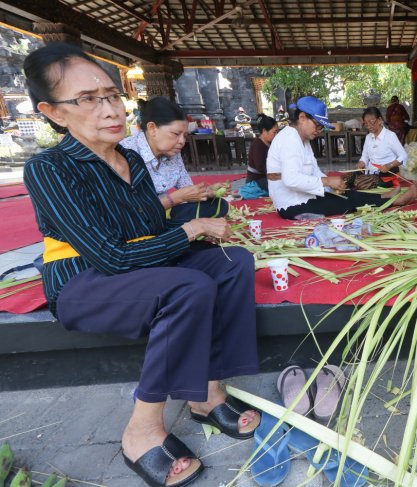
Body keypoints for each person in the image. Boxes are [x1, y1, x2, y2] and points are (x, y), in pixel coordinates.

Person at [23, 43, 261, 486]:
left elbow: (151, 230)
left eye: (112, 95)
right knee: (189, 286)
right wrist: (190, 232)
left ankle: (207, 395)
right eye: (88, 99)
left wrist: (201, 231)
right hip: (83, 281)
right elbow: (111, 256)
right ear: (55, 113)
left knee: (231, 263)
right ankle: (142, 430)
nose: (110, 109)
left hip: (137, 266)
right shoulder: (49, 168)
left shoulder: (131, 158)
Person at [267, 96, 417, 220]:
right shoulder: (289, 139)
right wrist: (327, 181)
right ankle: (394, 202)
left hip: (304, 195)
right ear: (302, 118)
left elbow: (314, 170)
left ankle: (385, 196)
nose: (319, 131)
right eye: (318, 125)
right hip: (292, 204)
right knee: (345, 203)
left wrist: (329, 185)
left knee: (346, 193)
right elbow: (290, 179)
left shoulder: (303, 140)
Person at [121, 97, 230, 226]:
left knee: (219, 205)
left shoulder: (173, 152)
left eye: (184, 136)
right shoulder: (126, 153)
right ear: (152, 128)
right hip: (136, 221)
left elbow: (187, 190)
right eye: (175, 134)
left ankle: (174, 230)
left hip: (164, 212)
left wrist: (209, 192)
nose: (182, 142)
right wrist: (176, 198)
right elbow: (131, 212)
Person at [349, 106, 408, 189]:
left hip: (386, 175)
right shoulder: (368, 137)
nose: (369, 126)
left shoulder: (390, 136)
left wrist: (389, 165)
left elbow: (403, 156)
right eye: (366, 123)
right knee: (348, 179)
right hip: (370, 172)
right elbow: (365, 157)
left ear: (380, 120)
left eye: (371, 122)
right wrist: (361, 163)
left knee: (360, 184)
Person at [246, 113, 279, 192]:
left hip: (267, 176)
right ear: (264, 131)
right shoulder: (257, 144)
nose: (276, 135)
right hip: (256, 180)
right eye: (274, 132)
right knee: (281, 183)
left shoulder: (271, 143)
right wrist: (278, 175)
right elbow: (261, 167)